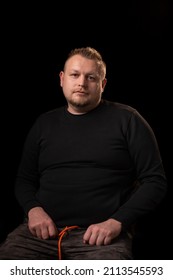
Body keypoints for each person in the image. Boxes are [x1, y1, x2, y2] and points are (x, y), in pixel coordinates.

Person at [0, 47, 167, 260]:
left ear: (103, 84)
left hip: (102, 240)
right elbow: (24, 179)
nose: (81, 83)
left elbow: (155, 181)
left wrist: (117, 222)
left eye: (91, 77)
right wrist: (33, 210)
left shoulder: (128, 120)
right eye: (75, 75)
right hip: (39, 236)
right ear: (62, 79)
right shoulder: (44, 124)